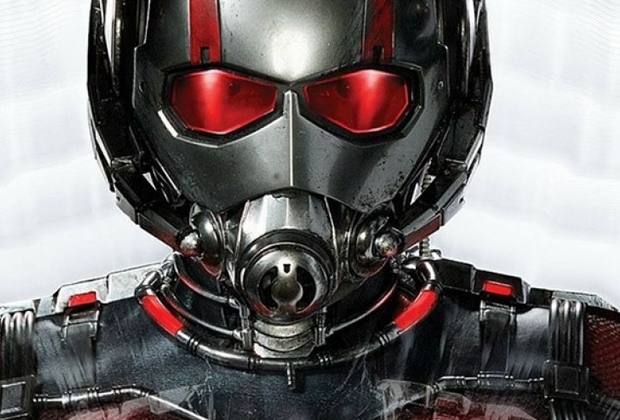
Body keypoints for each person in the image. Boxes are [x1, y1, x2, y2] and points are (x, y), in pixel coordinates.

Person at [0, 1, 619, 419]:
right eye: (221, 98)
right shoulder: (30, 376)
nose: (292, 158)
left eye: (361, 98)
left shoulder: (578, 364)